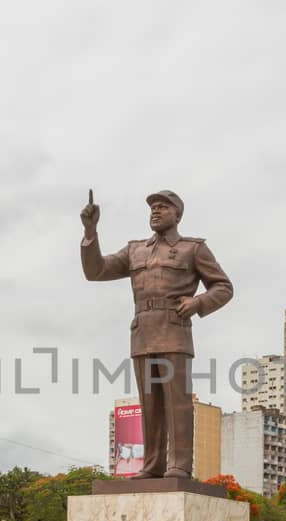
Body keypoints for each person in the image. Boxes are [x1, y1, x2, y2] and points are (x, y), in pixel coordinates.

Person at [79, 189, 233, 479]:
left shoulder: (193, 249)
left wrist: (198, 302)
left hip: (174, 331)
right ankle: (152, 465)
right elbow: (96, 271)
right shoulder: (135, 250)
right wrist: (90, 231)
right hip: (143, 335)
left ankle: (179, 465)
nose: (156, 211)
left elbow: (223, 287)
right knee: (149, 405)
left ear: (177, 214)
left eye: (163, 207)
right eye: (152, 207)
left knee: (177, 404)